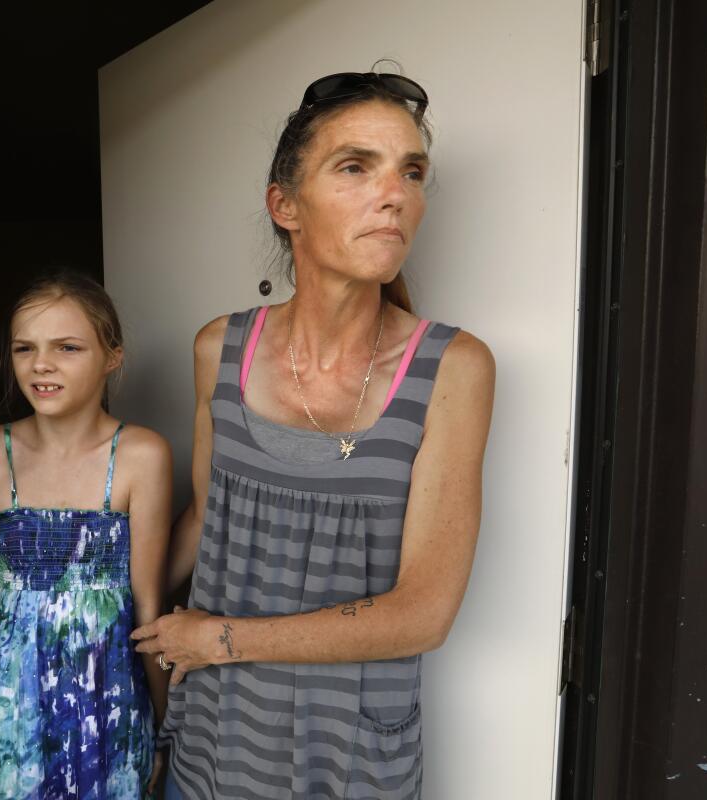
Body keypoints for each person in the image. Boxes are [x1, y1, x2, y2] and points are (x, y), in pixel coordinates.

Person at [130, 70, 496, 799]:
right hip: (213, 744)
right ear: (285, 205)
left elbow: (425, 613)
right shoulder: (218, 350)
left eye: (411, 171)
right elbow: (207, 517)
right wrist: (123, 611)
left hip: (349, 763)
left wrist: (220, 639)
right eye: (356, 167)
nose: (394, 194)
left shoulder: (453, 367)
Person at [0, 272, 172, 799]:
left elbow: (149, 607)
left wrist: (166, 726)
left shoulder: (141, 456)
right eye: (24, 348)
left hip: (111, 705)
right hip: (14, 714)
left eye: (67, 347)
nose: (41, 365)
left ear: (112, 356)